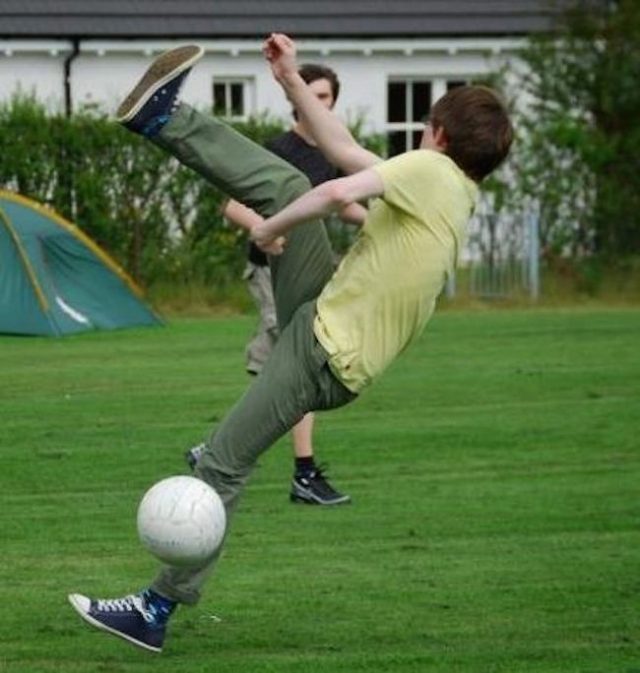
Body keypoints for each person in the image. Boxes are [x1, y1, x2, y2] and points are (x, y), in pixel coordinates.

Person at [68, 35, 513, 654]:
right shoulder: (451, 191)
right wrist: (290, 80)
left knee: (223, 465)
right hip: (321, 322)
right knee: (283, 179)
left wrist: (269, 229)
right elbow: (339, 152)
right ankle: (161, 117)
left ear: (435, 133)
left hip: (322, 353)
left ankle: (154, 609)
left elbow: (334, 191)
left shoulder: (430, 171)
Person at [187, 63, 366, 506]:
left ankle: (214, 449)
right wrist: (265, 227)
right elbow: (233, 206)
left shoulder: (331, 150)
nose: (320, 104)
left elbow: (344, 208)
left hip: (306, 270)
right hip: (270, 269)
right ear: (295, 98)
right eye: (313, 95)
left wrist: (392, 223)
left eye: (326, 97)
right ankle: (302, 474)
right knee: (297, 369)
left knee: (280, 372)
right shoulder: (279, 148)